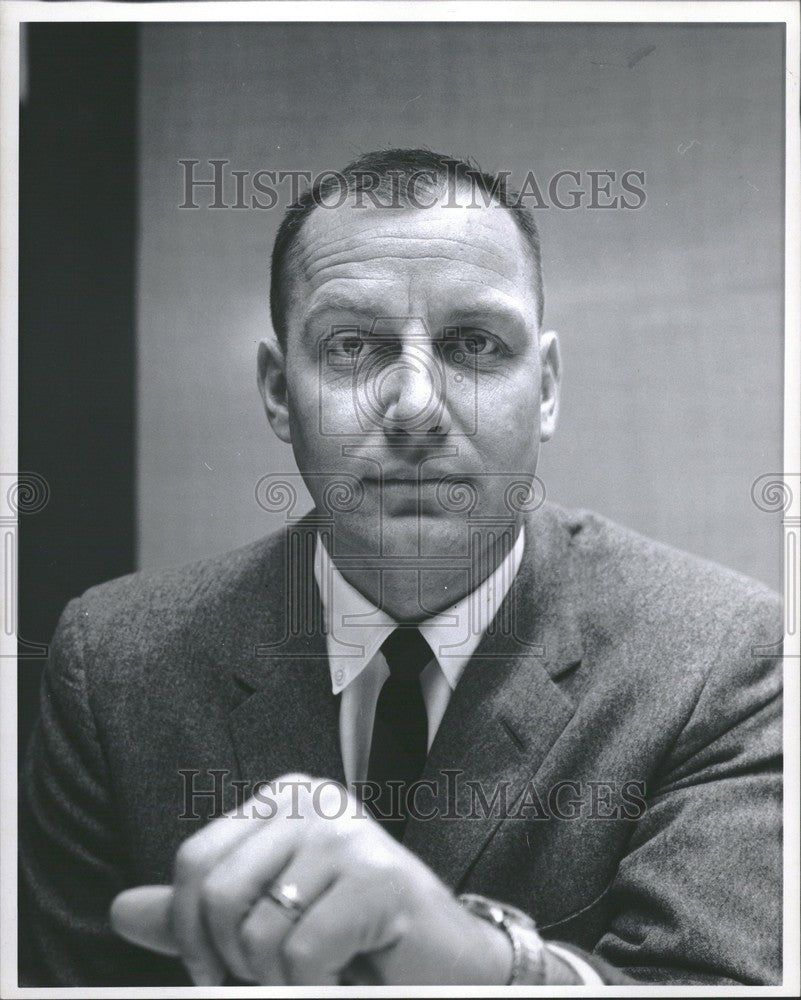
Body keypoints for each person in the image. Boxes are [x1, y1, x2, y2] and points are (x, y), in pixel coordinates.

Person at [19, 149, 782, 987]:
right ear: (278, 390)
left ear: (548, 387)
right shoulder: (115, 665)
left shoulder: (719, 656)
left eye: (474, 345)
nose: (414, 405)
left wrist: (476, 961)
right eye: (351, 346)